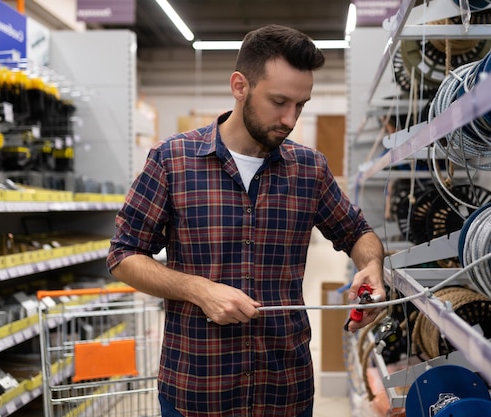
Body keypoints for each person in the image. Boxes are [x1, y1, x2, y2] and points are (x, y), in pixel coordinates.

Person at [106, 24, 385, 417]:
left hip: (285, 390)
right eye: (279, 101)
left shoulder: (310, 169)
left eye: (300, 105)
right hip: (198, 389)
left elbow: (358, 233)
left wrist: (371, 266)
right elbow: (124, 255)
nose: (290, 119)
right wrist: (198, 289)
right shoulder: (172, 161)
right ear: (240, 86)